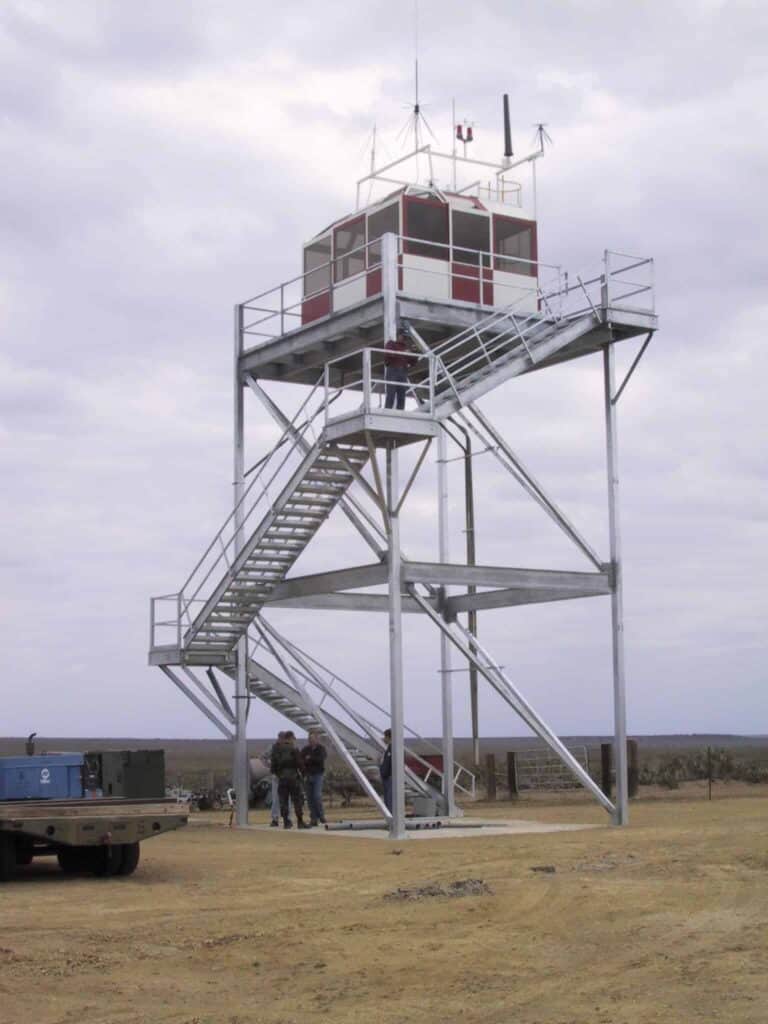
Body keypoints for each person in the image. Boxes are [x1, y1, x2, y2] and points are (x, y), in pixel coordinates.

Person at [270, 730, 309, 829]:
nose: (294, 741)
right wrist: (304, 774)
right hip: (293, 778)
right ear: (290, 738)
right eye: (293, 739)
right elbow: (300, 764)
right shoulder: (294, 749)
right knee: (297, 800)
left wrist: (279, 775)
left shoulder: (277, 750)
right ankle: (300, 822)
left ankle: (286, 822)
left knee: (283, 800)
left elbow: (273, 766)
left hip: (282, 778)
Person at [384, 327, 418, 411]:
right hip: (392, 370)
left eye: (406, 337)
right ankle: (387, 411)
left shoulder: (406, 348)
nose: (405, 339)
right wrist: (403, 353)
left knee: (402, 395)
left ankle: (400, 412)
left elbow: (413, 363)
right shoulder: (391, 344)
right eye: (403, 336)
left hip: (403, 371)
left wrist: (414, 353)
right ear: (398, 336)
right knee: (391, 394)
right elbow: (388, 355)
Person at [300, 730, 327, 827]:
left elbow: (321, 759)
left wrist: (310, 759)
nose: (311, 741)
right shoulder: (305, 749)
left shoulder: (321, 749)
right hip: (308, 775)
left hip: (318, 775)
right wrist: (307, 761)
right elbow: (301, 760)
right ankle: (313, 818)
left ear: (317, 739)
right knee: (310, 798)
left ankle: (321, 815)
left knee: (317, 796)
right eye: (310, 739)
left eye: (313, 739)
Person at [264, 731, 291, 827]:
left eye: (284, 738)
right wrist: (269, 766)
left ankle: (287, 818)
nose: (282, 740)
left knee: (287, 798)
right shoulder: (273, 747)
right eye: (281, 738)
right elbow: (263, 757)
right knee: (276, 798)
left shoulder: (289, 748)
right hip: (277, 776)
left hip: (287, 776)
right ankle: (275, 818)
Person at [380, 728, 393, 812]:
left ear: (389, 737)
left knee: (390, 800)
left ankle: (393, 820)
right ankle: (390, 819)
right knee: (387, 801)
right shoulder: (388, 749)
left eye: (385, 736)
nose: (383, 738)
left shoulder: (393, 749)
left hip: (390, 777)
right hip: (386, 777)